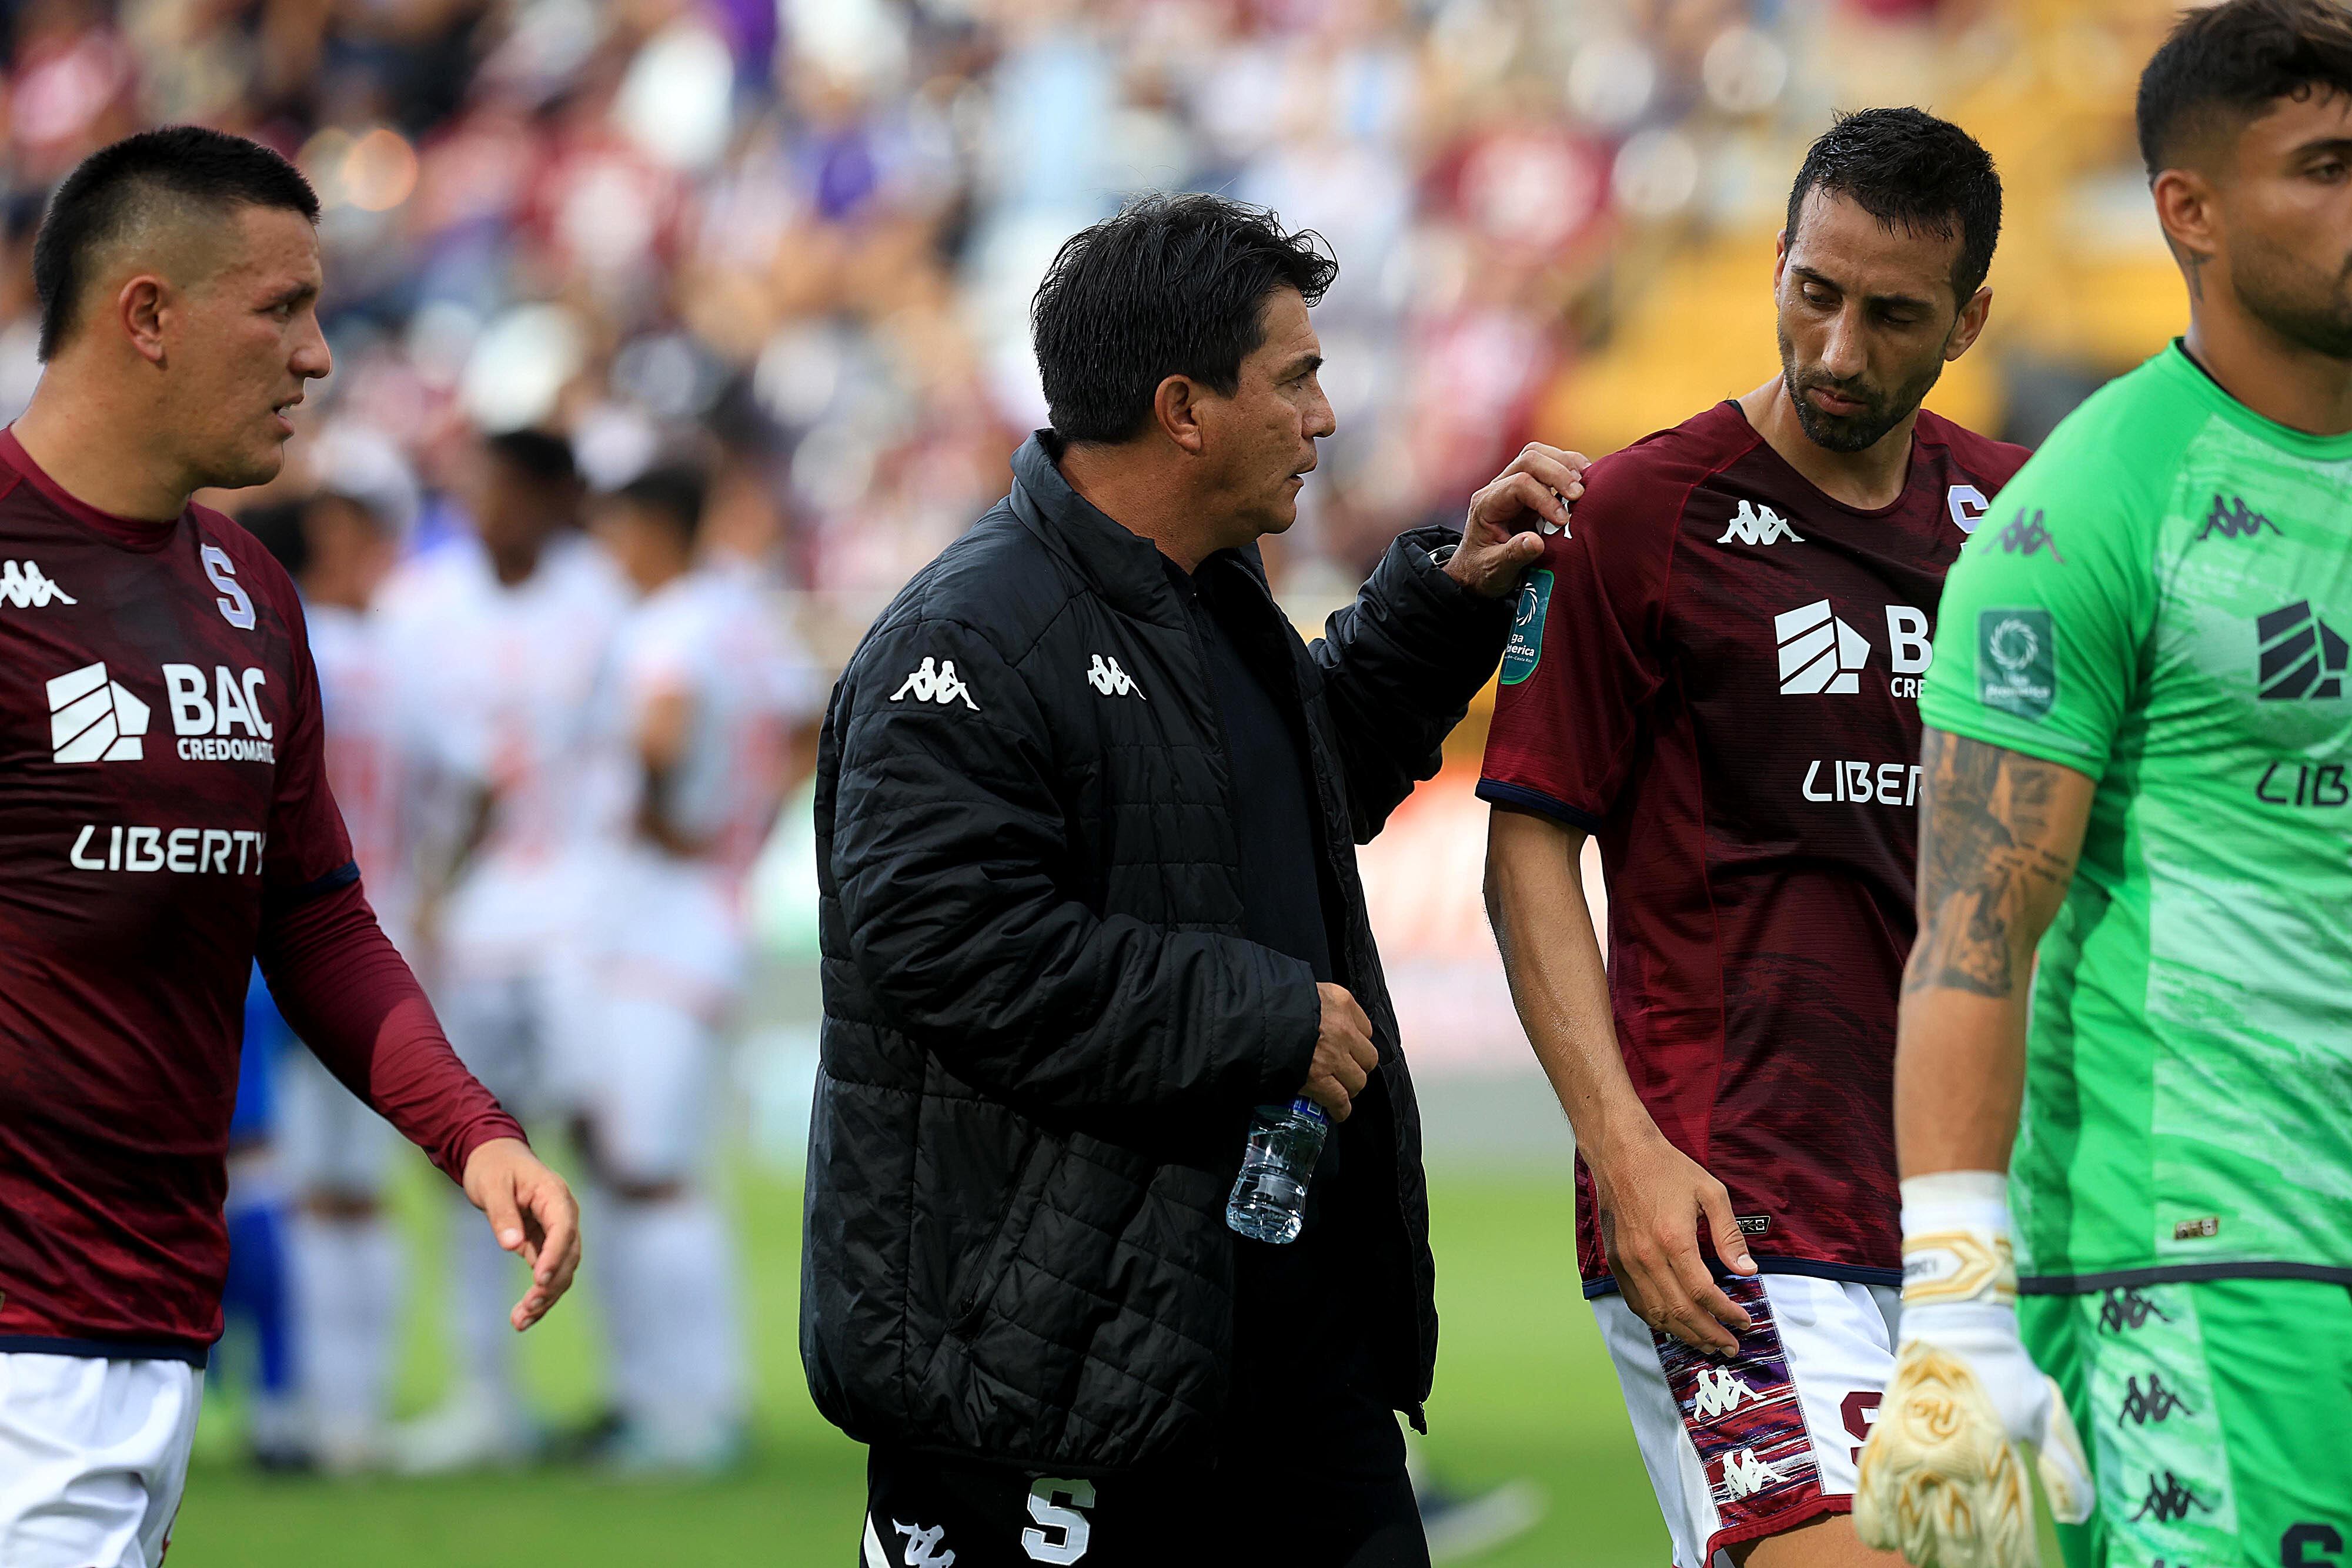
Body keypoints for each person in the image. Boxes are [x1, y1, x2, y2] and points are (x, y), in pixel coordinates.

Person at [803, 192, 1559, 1568]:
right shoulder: (964, 637)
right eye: (1297, 377)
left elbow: (1281, 793)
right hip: (1050, 1375)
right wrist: (1266, 1013)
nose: (1324, 417)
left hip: (1270, 1335)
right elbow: (952, 943)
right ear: (1182, 408)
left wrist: (1446, 599)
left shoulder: (1205, 596)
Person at [0, 126, 578, 1566]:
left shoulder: (249, 591)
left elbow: (313, 909)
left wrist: (474, 1130)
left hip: (148, 1323)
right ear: (147, 314)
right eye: (281, 308)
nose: (317, 355)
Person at [1478, 108, 2022, 1568]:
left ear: (1967, 318)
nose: (1838, 349)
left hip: (1976, 1208)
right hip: (1729, 1196)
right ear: (1775, 262)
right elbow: (1527, 845)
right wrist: (1621, 1151)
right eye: (1813, 291)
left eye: (1892, 313)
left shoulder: (2022, 522)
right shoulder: (1642, 514)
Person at [1855, 4, 2352, 1564]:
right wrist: (1956, 1296)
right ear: (2188, 212)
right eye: (2328, 168)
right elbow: (1972, 929)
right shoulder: (2093, 510)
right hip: (2208, 1259)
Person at [380, 424, 627, 1473]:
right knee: (469, 1162)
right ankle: (488, 1395)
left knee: (617, 1151)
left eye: (507, 491)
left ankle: (650, 1400)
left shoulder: (603, 597)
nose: (487, 509)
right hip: (468, 924)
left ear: (552, 499)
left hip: (586, 917)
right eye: (476, 488)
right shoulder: (417, 607)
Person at [573, 463, 817, 1471]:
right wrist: (746, 823)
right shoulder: (745, 617)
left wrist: (666, 815)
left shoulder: (668, 624)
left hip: (657, 926)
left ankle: (681, 1413)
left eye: (616, 529)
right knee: (662, 1163)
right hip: (716, 912)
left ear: (647, 528)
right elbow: (809, 723)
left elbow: (662, 729)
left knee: (646, 1170)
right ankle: (663, 1396)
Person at [247, 428, 423, 1473]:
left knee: (303, 1185)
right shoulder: (400, 654)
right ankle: (363, 1411)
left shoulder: (289, 650)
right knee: (362, 1191)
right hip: (392, 928)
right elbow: (465, 779)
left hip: (303, 932)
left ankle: (315, 1409)